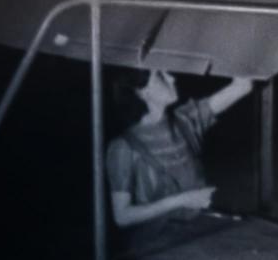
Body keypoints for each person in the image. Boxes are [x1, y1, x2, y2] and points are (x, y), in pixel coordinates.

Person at [106, 68, 259, 257]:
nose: (172, 77)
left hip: (198, 231)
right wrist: (182, 200)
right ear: (142, 92)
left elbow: (242, 86)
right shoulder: (123, 146)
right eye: (161, 75)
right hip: (156, 245)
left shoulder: (185, 120)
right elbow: (122, 216)